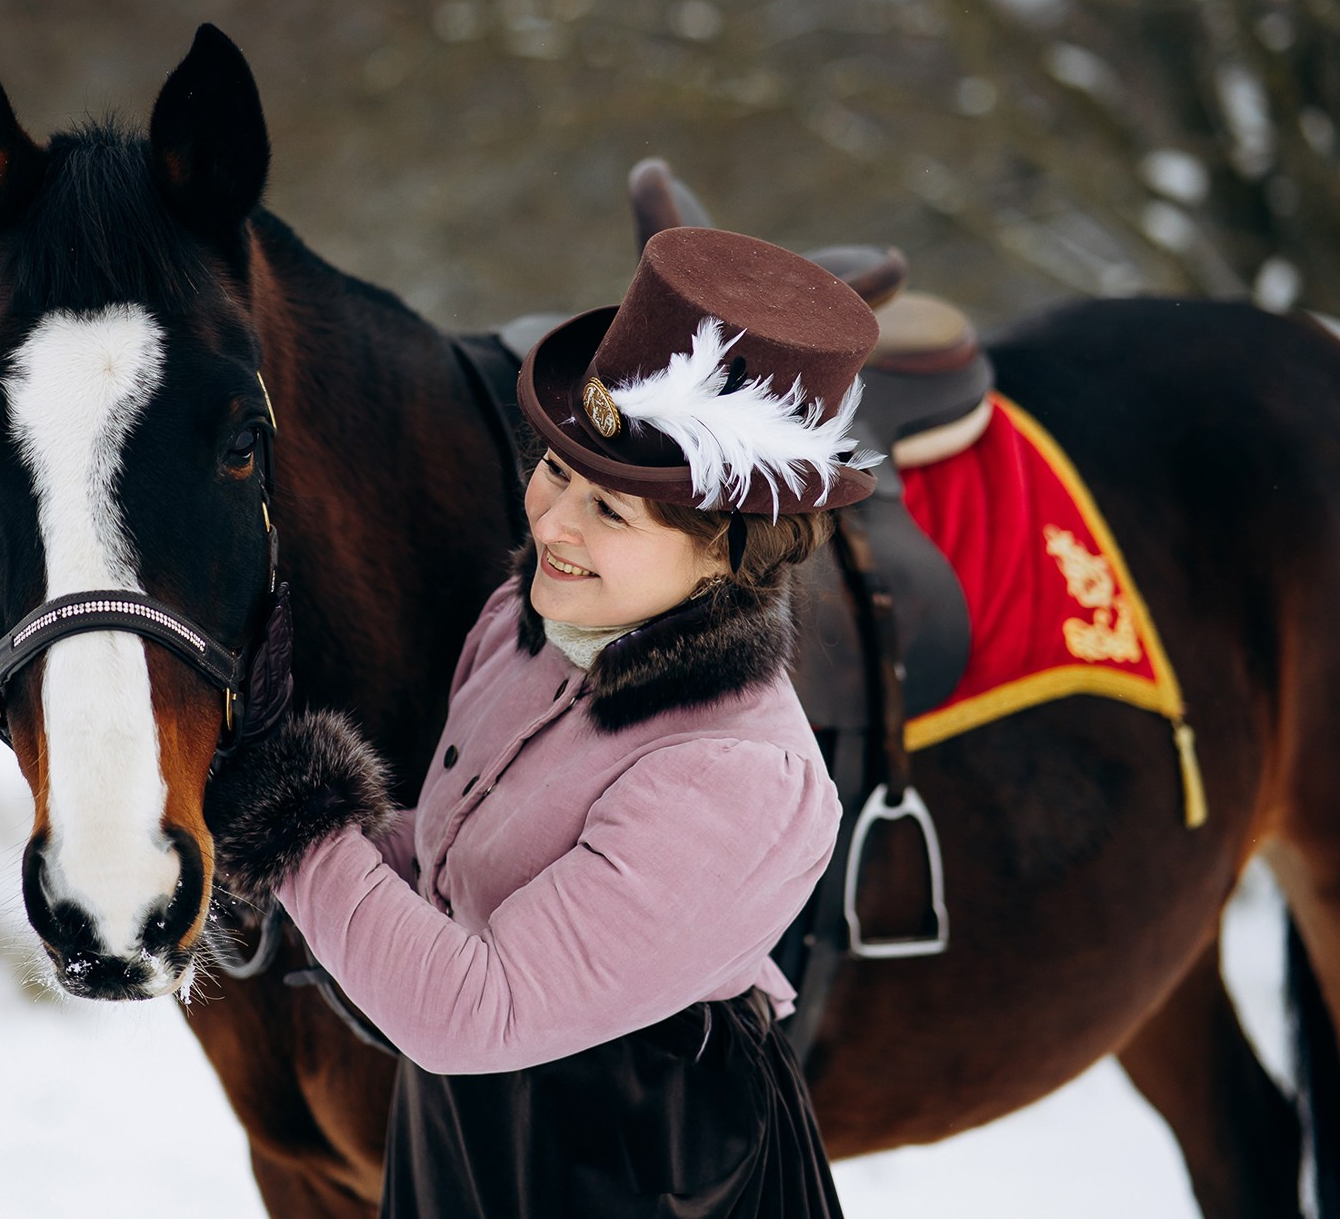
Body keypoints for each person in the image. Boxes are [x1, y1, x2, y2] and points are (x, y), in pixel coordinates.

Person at [204, 225, 880, 1218]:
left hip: (634, 1172)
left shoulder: (735, 775)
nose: (552, 520)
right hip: (474, 1140)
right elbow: (456, 868)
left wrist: (299, 827)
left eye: (610, 511)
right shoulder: (525, 629)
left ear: (723, 553)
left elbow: (472, 1010)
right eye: (557, 470)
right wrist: (278, 814)